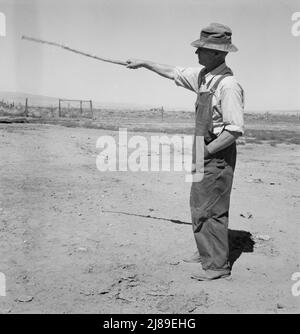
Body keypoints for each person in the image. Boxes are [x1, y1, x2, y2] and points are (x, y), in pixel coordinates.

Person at [126, 23, 244, 281]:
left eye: (201, 49)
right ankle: (206, 252)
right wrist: (144, 63)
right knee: (199, 204)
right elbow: (173, 72)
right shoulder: (205, 77)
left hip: (216, 153)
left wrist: (208, 152)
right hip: (204, 150)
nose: (196, 53)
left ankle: (217, 267)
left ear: (216, 53)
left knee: (213, 207)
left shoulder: (228, 85)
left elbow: (234, 130)